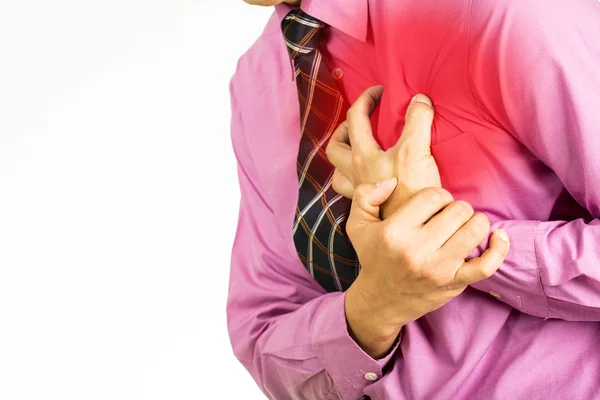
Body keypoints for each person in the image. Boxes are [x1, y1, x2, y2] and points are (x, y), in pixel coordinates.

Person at [228, 0, 600, 398]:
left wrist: (447, 241)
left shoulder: (507, 13)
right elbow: (262, 335)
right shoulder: (257, 78)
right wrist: (373, 308)